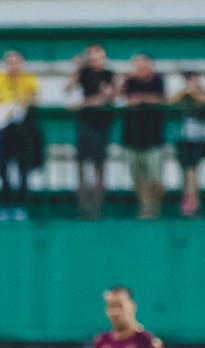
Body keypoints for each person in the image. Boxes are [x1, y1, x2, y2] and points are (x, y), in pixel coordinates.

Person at [66, 44, 117, 219]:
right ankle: (83, 205)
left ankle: (98, 206)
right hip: (84, 123)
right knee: (81, 164)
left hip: (101, 124)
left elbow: (109, 97)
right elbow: (68, 90)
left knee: (99, 166)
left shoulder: (109, 74)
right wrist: (77, 68)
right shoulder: (84, 73)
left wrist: (84, 103)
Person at [0, 51, 40, 221]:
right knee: (3, 165)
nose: (13, 65)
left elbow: (33, 98)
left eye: (16, 62)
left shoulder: (29, 78)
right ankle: (5, 202)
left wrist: (20, 102)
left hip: (22, 129)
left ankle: (22, 204)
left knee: (22, 166)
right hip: (3, 128)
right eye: (10, 62)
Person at [121, 55, 167, 219]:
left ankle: (155, 207)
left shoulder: (158, 80)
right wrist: (126, 81)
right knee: (138, 177)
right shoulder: (130, 81)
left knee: (155, 177)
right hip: (132, 136)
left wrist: (140, 99)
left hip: (153, 137)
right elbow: (120, 98)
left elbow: (161, 99)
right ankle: (144, 208)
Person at [172, 71, 205, 218]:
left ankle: (192, 201)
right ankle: (189, 199)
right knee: (188, 169)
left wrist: (196, 93)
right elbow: (171, 102)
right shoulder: (183, 94)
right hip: (184, 137)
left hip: (202, 137)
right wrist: (186, 91)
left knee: (193, 168)